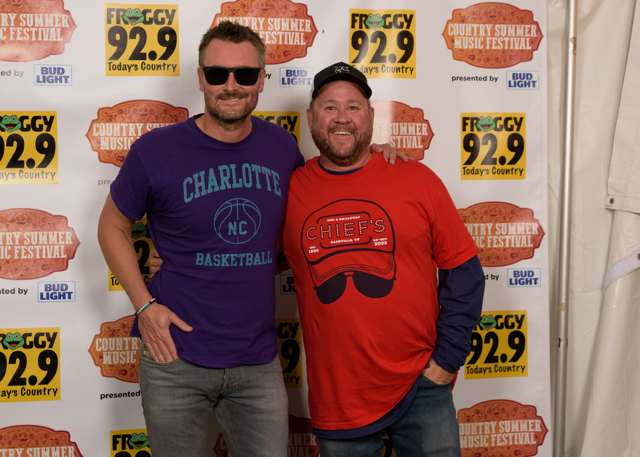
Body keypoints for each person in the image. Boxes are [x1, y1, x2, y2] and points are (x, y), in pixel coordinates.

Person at [97, 22, 404, 457]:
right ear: (200, 77)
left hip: (258, 359)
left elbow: (319, 207)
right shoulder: (155, 150)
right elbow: (111, 226)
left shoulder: (281, 147)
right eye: (217, 73)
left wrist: (374, 158)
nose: (231, 86)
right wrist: (144, 306)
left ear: (261, 79)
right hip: (174, 356)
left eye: (244, 74)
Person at [277, 63, 485, 456]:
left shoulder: (416, 179)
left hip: (422, 385)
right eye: (329, 107)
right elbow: (245, 260)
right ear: (310, 117)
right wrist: (176, 261)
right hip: (339, 397)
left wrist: (447, 360)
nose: (342, 118)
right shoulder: (290, 190)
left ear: (371, 116)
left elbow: (464, 271)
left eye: (353, 107)